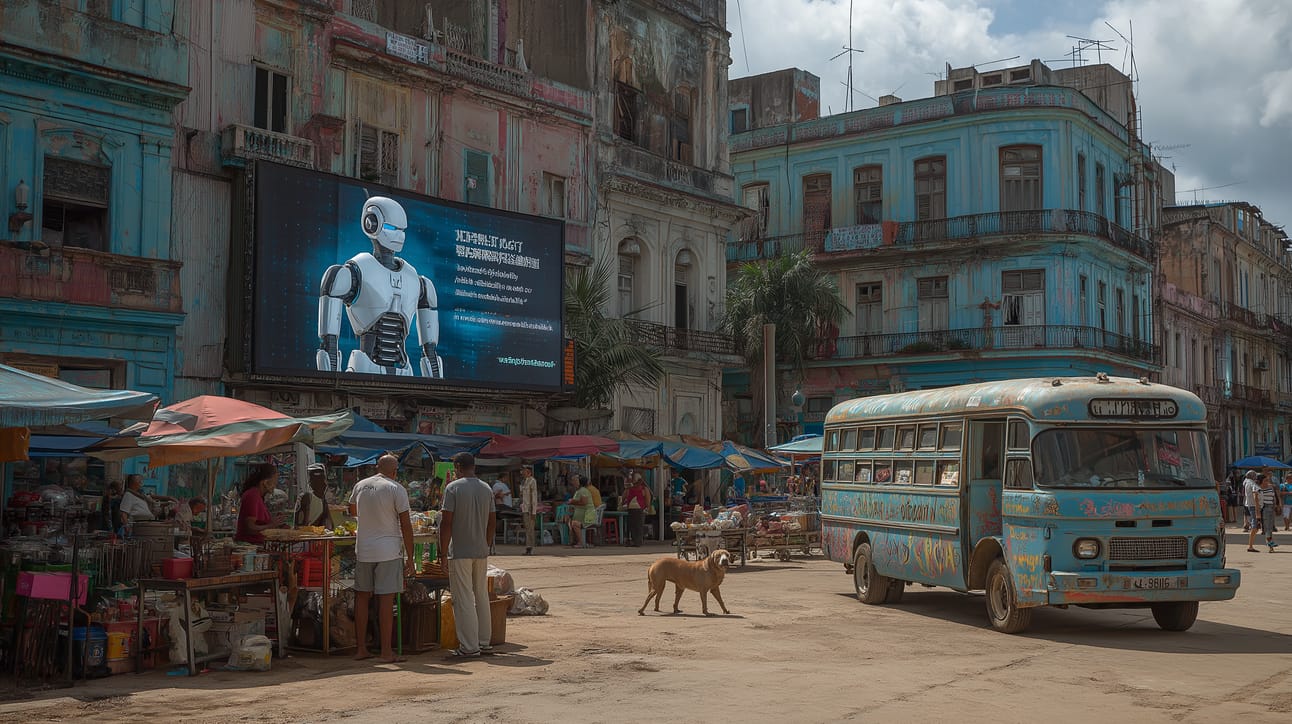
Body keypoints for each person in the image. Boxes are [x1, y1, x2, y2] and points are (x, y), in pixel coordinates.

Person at [349, 454, 416, 663]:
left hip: (364, 550)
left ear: (377, 467)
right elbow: (406, 525)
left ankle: (361, 649)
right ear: (395, 471)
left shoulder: (360, 485)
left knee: (362, 597)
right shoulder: (397, 489)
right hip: (388, 551)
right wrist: (411, 557)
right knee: (386, 600)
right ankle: (386, 652)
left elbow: (352, 510)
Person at [438, 452, 495, 658]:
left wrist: (442, 553)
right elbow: (492, 521)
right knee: (481, 595)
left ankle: (469, 647)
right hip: (480, 550)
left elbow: (446, 523)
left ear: (458, 467)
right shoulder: (486, 488)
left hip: (460, 551)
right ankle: (483, 642)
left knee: (463, 598)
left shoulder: (453, 488)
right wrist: (485, 544)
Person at [235, 463, 282, 544]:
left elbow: (260, 523)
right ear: (265, 482)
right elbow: (250, 528)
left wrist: (273, 522)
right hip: (249, 546)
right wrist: (271, 525)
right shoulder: (252, 495)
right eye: (274, 481)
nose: (275, 485)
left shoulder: (258, 496)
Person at [1247, 473, 1281, 553]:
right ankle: (1270, 543)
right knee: (1267, 527)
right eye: (1265, 480)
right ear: (1261, 481)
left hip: (1271, 508)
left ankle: (1270, 547)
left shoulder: (1271, 487)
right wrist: (1258, 514)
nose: (1267, 482)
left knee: (1270, 527)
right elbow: (1257, 501)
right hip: (1265, 509)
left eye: (1267, 480)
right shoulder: (1258, 489)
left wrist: (1277, 505)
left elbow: (1274, 497)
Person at [296, 463, 332, 528]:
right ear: (311, 483)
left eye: (322, 481)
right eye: (317, 482)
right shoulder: (306, 497)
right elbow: (302, 525)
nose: (324, 485)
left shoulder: (323, 500)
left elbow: (327, 522)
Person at [566, 474, 597, 548]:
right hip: (581, 516)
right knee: (568, 520)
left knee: (574, 523)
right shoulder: (579, 491)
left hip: (587, 517)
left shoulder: (583, 491)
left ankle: (580, 542)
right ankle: (574, 541)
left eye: (575, 481)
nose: (573, 482)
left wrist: (572, 501)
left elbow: (584, 502)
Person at [622, 473, 651, 547]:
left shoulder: (643, 489)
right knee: (634, 525)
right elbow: (624, 497)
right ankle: (635, 541)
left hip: (638, 509)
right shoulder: (631, 489)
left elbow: (647, 499)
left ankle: (637, 541)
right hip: (634, 509)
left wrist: (647, 508)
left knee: (637, 526)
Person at [518, 464, 539, 556]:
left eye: (524, 471)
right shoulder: (524, 482)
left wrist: (534, 511)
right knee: (527, 528)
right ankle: (528, 547)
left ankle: (531, 548)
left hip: (530, 508)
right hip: (525, 508)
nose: (522, 472)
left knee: (530, 528)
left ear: (529, 472)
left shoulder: (532, 481)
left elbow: (534, 496)